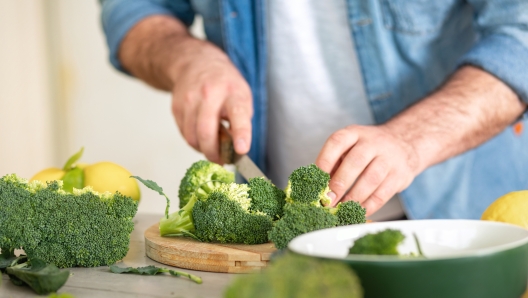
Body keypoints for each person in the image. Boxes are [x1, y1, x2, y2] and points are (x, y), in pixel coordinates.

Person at [99, 0, 528, 220]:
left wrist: (410, 140)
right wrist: (185, 58)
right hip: (278, 231)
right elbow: (134, 9)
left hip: (467, 215)